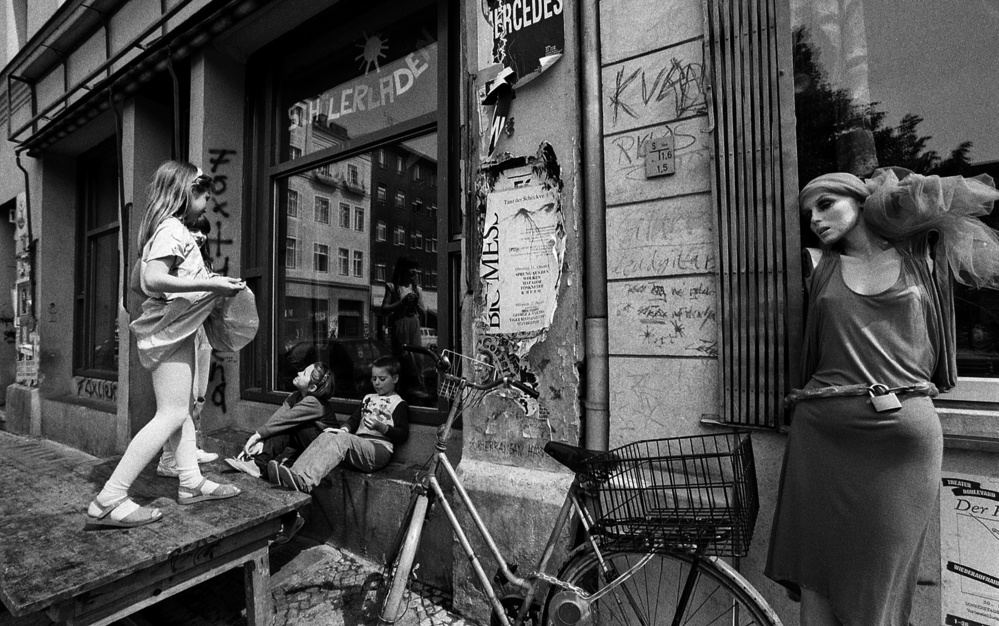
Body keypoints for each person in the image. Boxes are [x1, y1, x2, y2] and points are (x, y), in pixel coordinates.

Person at [765, 168, 999, 625]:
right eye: (808, 212)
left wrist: (892, 200)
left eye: (827, 203)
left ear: (860, 200)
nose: (815, 218)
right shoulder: (816, 264)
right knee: (818, 579)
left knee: (882, 584)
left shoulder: (921, 263)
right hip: (822, 443)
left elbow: (945, 200)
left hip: (902, 446)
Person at [86, 161, 250, 529]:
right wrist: (212, 285)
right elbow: (154, 278)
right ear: (184, 192)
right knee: (172, 414)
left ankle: (190, 482)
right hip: (171, 331)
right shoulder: (172, 230)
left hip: (175, 330)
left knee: (179, 408)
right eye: (204, 193)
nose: (208, 201)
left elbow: (137, 283)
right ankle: (109, 499)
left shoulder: (166, 231)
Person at [276, 356, 409, 493]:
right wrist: (343, 429)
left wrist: (382, 427)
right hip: (360, 445)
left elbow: (402, 434)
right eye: (374, 379)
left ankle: (305, 480)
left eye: (382, 379)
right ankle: (294, 474)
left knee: (342, 440)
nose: (377, 383)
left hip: (378, 450)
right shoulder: (368, 398)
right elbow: (353, 420)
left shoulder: (398, 403)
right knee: (327, 434)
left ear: (395, 379)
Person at [157, 215, 218, 476]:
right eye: (194, 229)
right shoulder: (173, 255)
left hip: (200, 329)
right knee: (183, 397)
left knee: (198, 394)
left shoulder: (201, 259)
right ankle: (168, 459)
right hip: (183, 329)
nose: (200, 235)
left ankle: (188, 450)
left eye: (203, 231)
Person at [225, 361, 338, 480]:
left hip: (324, 453)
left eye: (304, 373)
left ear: (312, 387)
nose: (298, 373)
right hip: (307, 446)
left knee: (293, 427)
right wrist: (262, 439)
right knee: (288, 427)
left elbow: (284, 422)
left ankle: (259, 464)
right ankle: (264, 464)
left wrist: (256, 437)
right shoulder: (295, 396)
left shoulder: (315, 403)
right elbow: (277, 419)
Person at [381, 255, 428, 399]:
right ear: (403, 270)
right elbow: (384, 308)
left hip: (414, 323)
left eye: (415, 269)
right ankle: (404, 388)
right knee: (403, 356)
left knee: (418, 357)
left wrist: (415, 304)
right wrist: (402, 303)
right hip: (400, 323)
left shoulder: (416, 289)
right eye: (410, 268)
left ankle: (419, 384)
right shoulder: (393, 287)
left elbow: (423, 313)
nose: (414, 271)